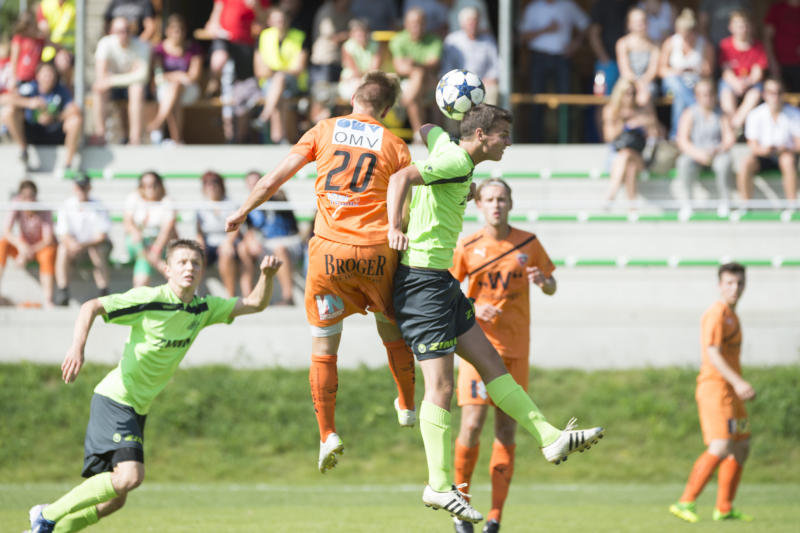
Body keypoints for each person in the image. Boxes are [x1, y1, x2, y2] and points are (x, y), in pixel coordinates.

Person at [386, 104, 604, 524]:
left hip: (441, 282)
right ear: (482, 135)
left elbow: (428, 127)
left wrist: (450, 126)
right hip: (421, 282)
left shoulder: (450, 152)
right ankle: (438, 484)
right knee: (441, 387)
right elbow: (401, 178)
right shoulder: (453, 160)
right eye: (503, 134)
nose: (508, 142)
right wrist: (395, 225)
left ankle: (550, 437)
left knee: (492, 366)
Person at [225, 71, 417, 474]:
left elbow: (275, 178)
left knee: (324, 346)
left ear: (354, 97)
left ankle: (327, 432)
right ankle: (406, 403)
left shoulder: (324, 130)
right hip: (376, 252)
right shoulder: (395, 144)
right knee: (390, 328)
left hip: (329, 254)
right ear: (386, 109)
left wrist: (243, 210)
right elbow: (404, 202)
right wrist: (399, 230)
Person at [25, 239, 282, 533]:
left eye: (195, 263)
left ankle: (45, 531)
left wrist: (267, 276)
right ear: (167, 269)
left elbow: (255, 303)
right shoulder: (149, 299)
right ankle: (46, 515)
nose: (189, 267)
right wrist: (77, 348)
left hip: (137, 408)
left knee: (116, 499)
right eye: (182, 262)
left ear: (201, 271)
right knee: (130, 476)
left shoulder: (203, 308)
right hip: (115, 399)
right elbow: (91, 306)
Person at [450, 178, 557, 533]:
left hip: (516, 350)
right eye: (490, 199)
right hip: (478, 349)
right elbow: (447, 293)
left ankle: (495, 516)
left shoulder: (528, 243)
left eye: (502, 199)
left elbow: (552, 285)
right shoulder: (467, 245)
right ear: (479, 205)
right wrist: (474, 306)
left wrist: (544, 282)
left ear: (511, 203)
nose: (496, 205)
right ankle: (460, 506)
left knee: (507, 429)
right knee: (471, 424)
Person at [669, 262, 754, 524]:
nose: (734, 288)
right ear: (719, 285)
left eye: (739, 283)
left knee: (741, 444)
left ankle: (724, 508)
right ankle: (685, 501)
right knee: (721, 445)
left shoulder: (733, 315)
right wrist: (738, 382)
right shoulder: (716, 314)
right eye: (729, 283)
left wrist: (736, 386)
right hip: (716, 390)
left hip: (732, 393)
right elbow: (713, 353)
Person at [519, 0, 589, 142]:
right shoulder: (533, 8)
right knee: (536, 100)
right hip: (539, 58)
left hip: (562, 58)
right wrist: (546, 30)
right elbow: (523, 36)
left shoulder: (568, 5)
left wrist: (575, 44)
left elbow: (586, 24)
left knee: (565, 101)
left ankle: (565, 141)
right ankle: (536, 141)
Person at [1, 61, 82, 174]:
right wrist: (29, 103)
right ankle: (23, 151)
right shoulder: (30, 88)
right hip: (31, 130)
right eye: (45, 74)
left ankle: (68, 165)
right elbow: (4, 99)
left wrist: (55, 117)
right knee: (8, 112)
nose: (48, 78)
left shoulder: (60, 90)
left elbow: (75, 109)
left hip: (54, 132)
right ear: (37, 76)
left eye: (51, 74)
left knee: (75, 120)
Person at [736, 78, 800, 210]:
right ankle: (745, 206)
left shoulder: (794, 114)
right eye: (771, 92)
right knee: (745, 163)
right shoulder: (755, 114)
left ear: (783, 94)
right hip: (763, 156)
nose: (775, 96)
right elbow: (753, 146)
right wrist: (765, 150)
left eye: (778, 92)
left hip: (786, 155)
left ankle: (792, 205)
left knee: (787, 160)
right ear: (764, 94)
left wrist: (786, 148)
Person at [675, 78, 735, 217]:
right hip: (695, 153)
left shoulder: (722, 114)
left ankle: (725, 201)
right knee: (683, 162)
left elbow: (729, 138)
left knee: (724, 163)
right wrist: (698, 154)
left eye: (710, 94)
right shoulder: (689, 113)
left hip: (716, 153)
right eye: (703, 94)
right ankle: (687, 203)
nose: (707, 98)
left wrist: (718, 150)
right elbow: (682, 140)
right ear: (697, 96)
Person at [241, 171, 302, 305]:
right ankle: (248, 298)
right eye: (251, 183)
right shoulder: (248, 205)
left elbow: (283, 200)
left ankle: (288, 297)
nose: (254, 186)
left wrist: (272, 190)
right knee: (243, 248)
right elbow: (249, 229)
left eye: (257, 182)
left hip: (288, 240)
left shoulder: (278, 196)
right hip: (266, 243)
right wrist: (251, 241)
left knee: (279, 249)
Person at [54, 175, 113, 306]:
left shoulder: (98, 205)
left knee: (96, 250)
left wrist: (80, 245)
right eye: (79, 187)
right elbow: (63, 234)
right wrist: (73, 245)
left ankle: (103, 289)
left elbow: (102, 236)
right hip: (77, 248)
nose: (81, 190)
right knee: (63, 248)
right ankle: (63, 290)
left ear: (89, 187)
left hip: (93, 247)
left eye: (84, 187)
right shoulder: (67, 205)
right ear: (74, 188)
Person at [92, 17, 151, 145]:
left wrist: (111, 80)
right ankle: (100, 135)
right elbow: (101, 76)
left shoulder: (142, 46)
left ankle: (135, 139)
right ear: (111, 32)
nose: (123, 34)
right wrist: (130, 75)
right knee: (99, 89)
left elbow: (143, 76)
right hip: (113, 88)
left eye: (127, 30)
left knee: (136, 89)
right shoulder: (105, 44)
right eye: (119, 31)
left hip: (130, 87)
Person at [602, 78, 661, 207]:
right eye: (627, 93)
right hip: (617, 155)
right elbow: (609, 137)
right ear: (619, 94)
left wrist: (645, 123)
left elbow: (657, 134)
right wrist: (625, 123)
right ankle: (632, 207)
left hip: (640, 155)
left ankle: (611, 194)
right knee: (629, 164)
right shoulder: (611, 111)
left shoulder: (642, 111)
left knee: (627, 155)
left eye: (633, 93)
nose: (630, 97)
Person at [254, 7, 309, 144]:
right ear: (269, 22)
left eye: (283, 20)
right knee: (280, 92)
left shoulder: (299, 36)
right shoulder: (263, 36)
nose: (281, 23)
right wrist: (280, 72)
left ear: (288, 20)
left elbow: (299, 68)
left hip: (294, 82)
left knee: (279, 81)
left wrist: (277, 72)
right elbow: (259, 70)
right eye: (277, 20)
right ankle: (280, 138)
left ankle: (264, 117)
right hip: (270, 84)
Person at [147, 14, 203, 145]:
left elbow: (193, 77)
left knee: (175, 89)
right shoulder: (159, 50)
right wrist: (179, 75)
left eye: (180, 30)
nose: (177, 34)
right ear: (167, 31)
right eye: (174, 30)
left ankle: (159, 122)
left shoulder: (194, 49)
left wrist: (173, 77)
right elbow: (158, 76)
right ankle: (177, 140)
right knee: (174, 91)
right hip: (166, 89)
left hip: (189, 90)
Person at [658, 8, 714, 139]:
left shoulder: (704, 44)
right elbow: (661, 70)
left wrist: (695, 69)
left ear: (694, 31)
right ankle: (695, 107)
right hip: (673, 83)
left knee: (680, 98)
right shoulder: (670, 43)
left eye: (689, 35)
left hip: (694, 83)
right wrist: (676, 71)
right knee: (676, 84)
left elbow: (708, 70)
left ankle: (676, 135)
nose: (686, 38)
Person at [0, 180, 56, 308]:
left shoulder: (44, 209)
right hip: (24, 248)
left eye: (31, 196)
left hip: (40, 248)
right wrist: (21, 246)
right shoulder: (17, 205)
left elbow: (47, 239)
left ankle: (48, 299)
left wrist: (27, 251)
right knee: (2, 244)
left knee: (48, 254)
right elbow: (6, 231)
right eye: (25, 196)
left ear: (36, 196)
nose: (28, 200)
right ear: (20, 196)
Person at [389, 8, 442, 140]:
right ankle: (437, 135)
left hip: (428, 80)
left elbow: (434, 63)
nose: (417, 26)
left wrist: (414, 64)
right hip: (407, 81)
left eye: (420, 23)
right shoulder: (398, 39)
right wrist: (419, 69)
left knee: (424, 82)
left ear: (425, 24)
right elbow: (400, 68)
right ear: (406, 24)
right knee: (418, 76)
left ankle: (418, 133)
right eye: (413, 23)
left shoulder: (434, 40)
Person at [196, 171, 246, 298]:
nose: (211, 186)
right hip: (209, 243)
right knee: (196, 255)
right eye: (207, 183)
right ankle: (192, 295)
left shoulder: (231, 204)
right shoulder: (201, 206)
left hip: (228, 241)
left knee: (226, 254)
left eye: (214, 183)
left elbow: (236, 227)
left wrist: (228, 243)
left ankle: (231, 296)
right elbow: (199, 232)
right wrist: (199, 246)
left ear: (221, 185)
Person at [123, 171, 177, 287]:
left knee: (143, 260)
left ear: (160, 185)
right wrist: (156, 259)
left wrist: (156, 249)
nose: (150, 188)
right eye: (145, 185)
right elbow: (128, 222)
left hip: (158, 245)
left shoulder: (167, 201)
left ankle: (139, 292)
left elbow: (167, 230)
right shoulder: (134, 197)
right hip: (138, 243)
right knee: (138, 242)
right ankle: (165, 270)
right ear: (140, 187)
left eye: (154, 185)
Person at [718, 11, 767, 130]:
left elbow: (758, 73)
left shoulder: (758, 46)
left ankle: (735, 125)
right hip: (732, 82)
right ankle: (733, 127)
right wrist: (736, 84)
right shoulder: (725, 45)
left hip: (751, 82)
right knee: (726, 93)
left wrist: (746, 83)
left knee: (755, 94)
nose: (742, 29)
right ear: (731, 27)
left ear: (750, 27)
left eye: (745, 25)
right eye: (738, 26)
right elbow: (726, 72)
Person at [442, 6, 499, 105]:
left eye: (475, 21)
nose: (473, 25)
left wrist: (490, 78)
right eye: (470, 22)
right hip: (457, 84)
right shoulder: (452, 40)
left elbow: (496, 65)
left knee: (492, 91)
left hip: (483, 83)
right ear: (462, 24)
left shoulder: (488, 40)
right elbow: (447, 67)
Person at [308, 0, 353, 123]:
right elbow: (333, 37)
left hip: (338, 62)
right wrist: (351, 34)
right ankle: (315, 129)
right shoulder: (326, 11)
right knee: (320, 98)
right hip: (323, 62)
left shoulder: (348, 12)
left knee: (335, 101)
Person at [588, 0, 636, 96]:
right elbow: (594, 34)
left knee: (628, 96)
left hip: (629, 62)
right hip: (607, 62)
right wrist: (603, 58)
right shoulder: (601, 5)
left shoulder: (630, 4)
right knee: (602, 96)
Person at [616, 7, 659, 107]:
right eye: (636, 21)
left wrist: (643, 84)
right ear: (629, 24)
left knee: (645, 96)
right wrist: (637, 84)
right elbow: (625, 71)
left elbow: (652, 72)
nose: (640, 24)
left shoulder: (655, 45)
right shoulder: (622, 43)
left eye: (642, 21)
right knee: (626, 92)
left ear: (647, 23)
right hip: (628, 81)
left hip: (647, 83)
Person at [338, 18, 383, 103]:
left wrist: (364, 76)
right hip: (351, 81)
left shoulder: (376, 45)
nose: (362, 36)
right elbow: (355, 71)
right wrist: (365, 74)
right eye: (358, 34)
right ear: (351, 34)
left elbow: (374, 70)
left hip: (370, 80)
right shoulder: (347, 47)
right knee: (359, 91)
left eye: (363, 33)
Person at [36, 0, 76, 86]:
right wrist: (57, 48)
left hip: (70, 51)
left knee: (63, 62)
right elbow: (43, 31)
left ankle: (67, 91)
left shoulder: (76, 4)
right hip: (49, 51)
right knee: (46, 74)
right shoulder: (45, 5)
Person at [764, 0, 800, 93]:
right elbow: (767, 37)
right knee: (783, 96)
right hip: (781, 63)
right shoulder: (776, 9)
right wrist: (771, 61)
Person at [9, 11, 45, 88]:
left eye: (33, 26)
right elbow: (14, 60)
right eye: (28, 27)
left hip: (35, 78)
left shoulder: (40, 40)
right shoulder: (19, 39)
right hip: (21, 78)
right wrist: (14, 78)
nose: (31, 29)